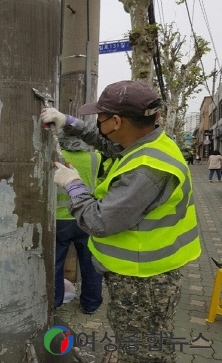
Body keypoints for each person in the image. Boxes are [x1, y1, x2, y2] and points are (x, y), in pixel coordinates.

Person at [41, 80, 201, 363]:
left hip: (144, 281)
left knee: (145, 351)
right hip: (146, 275)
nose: (97, 121)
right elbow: (104, 142)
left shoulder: (146, 170)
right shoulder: (149, 143)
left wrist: (74, 185)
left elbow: (99, 222)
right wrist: (67, 122)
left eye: (99, 116)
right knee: (144, 340)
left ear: (116, 121)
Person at [55, 133, 103, 314]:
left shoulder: (56, 157)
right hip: (86, 217)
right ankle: (91, 304)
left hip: (59, 220)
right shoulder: (95, 157)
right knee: (90, 264)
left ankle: (55, 301)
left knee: (56, 264)